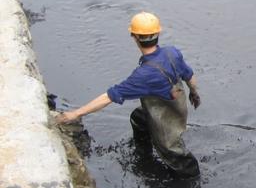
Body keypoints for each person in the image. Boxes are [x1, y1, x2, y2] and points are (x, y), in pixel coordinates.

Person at [56, 12, 201, 177]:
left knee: (172, 150)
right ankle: (143, 155)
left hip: (166, 118)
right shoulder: (172, 53)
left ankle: (190, 179)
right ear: (158, 34)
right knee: (139, 117)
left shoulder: (143, 75)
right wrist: (194, 93)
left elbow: (108, 97)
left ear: (134, 37)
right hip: (175, 104)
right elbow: (190, 76)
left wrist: (75, 113)